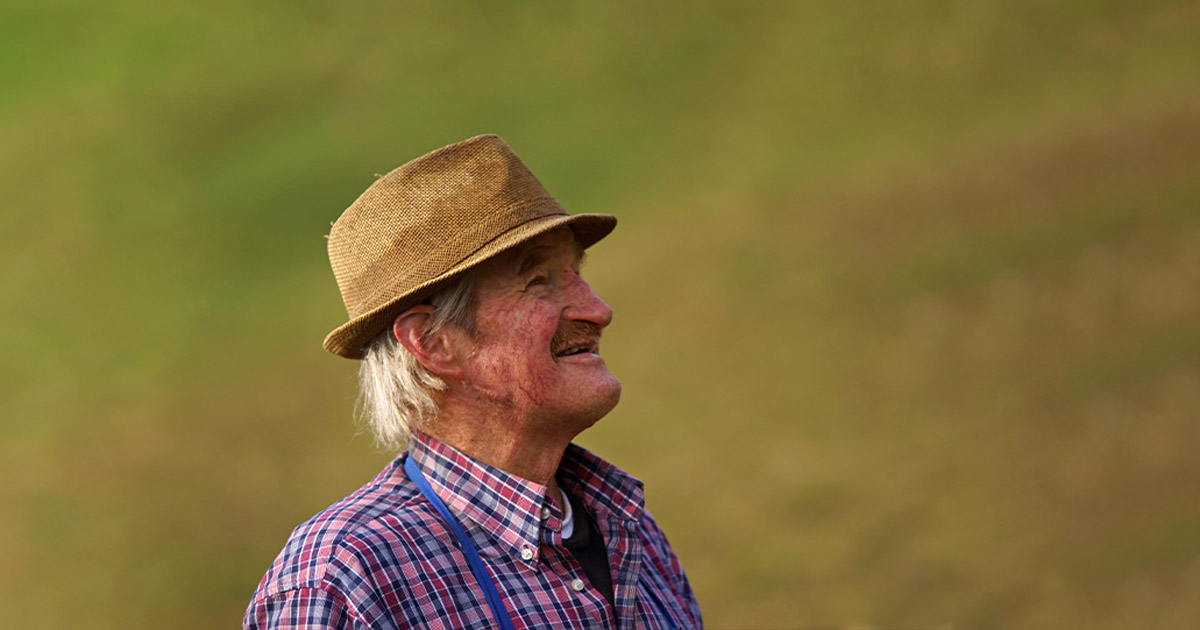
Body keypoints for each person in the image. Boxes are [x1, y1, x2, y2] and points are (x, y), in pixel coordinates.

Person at [244, 134, 702, 629]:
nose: (598, 310)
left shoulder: (631, 533)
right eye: (539, 281)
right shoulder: (344, 578)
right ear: (435, 342)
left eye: (576, 273)